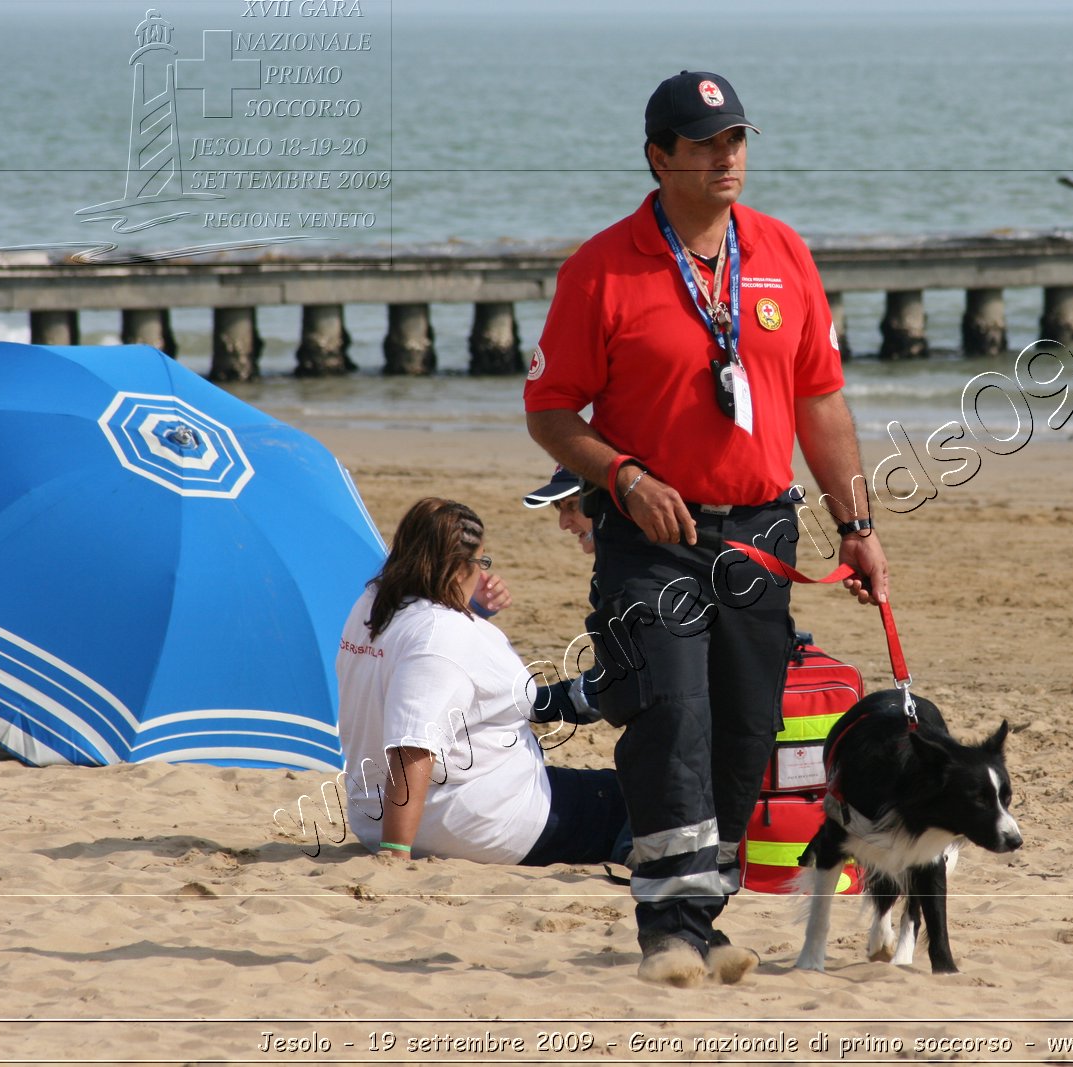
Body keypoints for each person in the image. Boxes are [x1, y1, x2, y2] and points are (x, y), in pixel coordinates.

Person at [524, 70, 889, 987]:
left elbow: (821, 402)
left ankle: (704, 908)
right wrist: (622, 474)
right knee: (670, 715)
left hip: (763, 535)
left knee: (744, 730)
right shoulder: (601, 269)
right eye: (704, 143)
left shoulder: (782, 253)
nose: (727, 157)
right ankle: (669, 930)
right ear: (659, 156)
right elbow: (552, 411)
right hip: (652, 537)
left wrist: (857, 524)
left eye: (735, 140)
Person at [335, 497, 628, 868]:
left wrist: (471, 608)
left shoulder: (372, 606)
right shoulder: (441, 638)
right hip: (468, 823)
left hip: (374, 815)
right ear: (459, 568)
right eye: (480, 562)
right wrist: (395, 854)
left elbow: (422, 670)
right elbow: (412, 748)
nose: (482, 573)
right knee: (632, 797)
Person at [523, 466, 601, 723]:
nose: (563, 523)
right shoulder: (625, 569)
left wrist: (527, 707)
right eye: (559, 508)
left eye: (573, 505)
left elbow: (617, 688)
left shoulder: (640, 579)